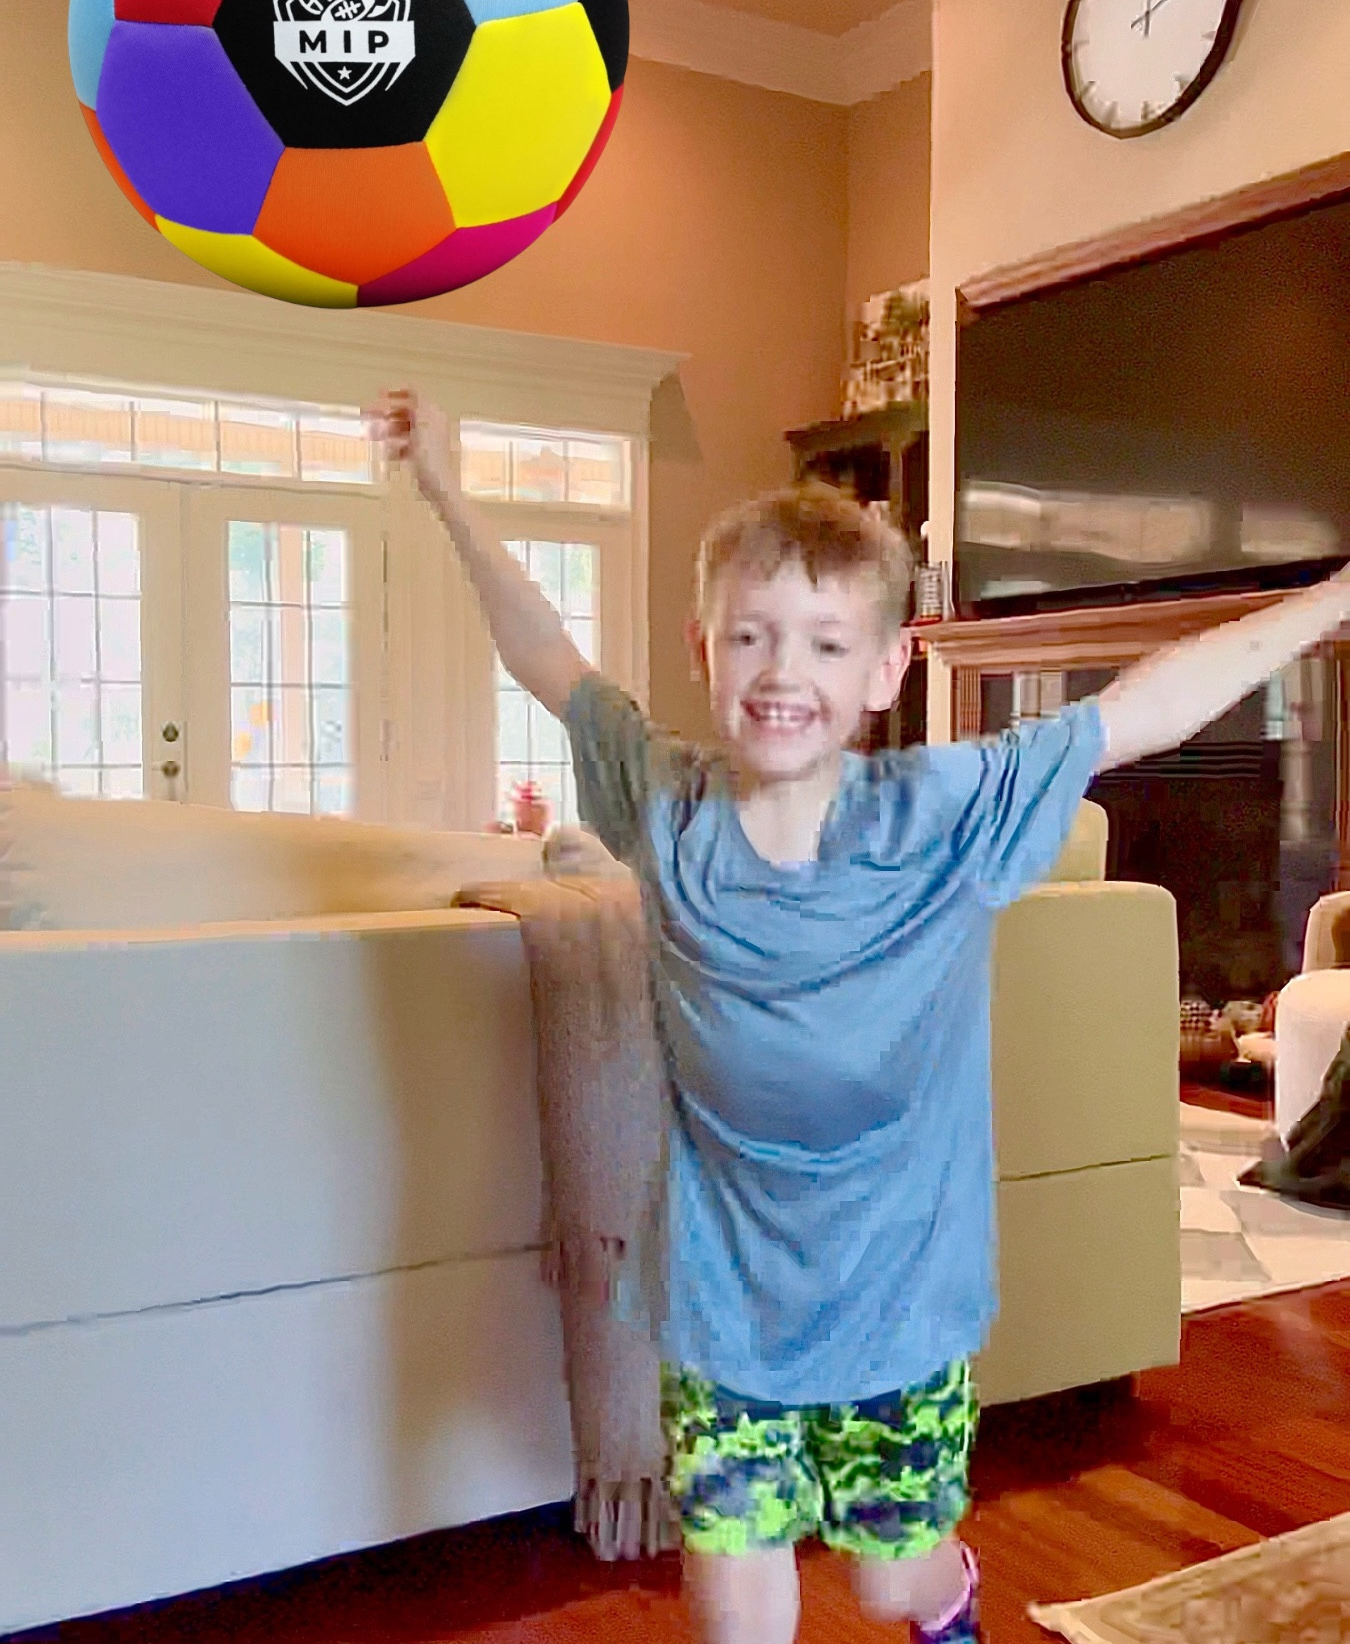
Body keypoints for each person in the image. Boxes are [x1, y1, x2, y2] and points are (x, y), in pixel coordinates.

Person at [368, 388, 1350, 1644]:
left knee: (893, 1579)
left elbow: (1140, 710)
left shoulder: (946, 811)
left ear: (889, 667)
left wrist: (1326, 604)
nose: (785, 672)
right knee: (735, 1589)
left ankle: (947, 1607)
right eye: (754, 637)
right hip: (721, 1306)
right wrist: (448, 488)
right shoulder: (662, 799)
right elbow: (549, 658)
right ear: (702, 647)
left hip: (903, 1300)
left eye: (829, 644)